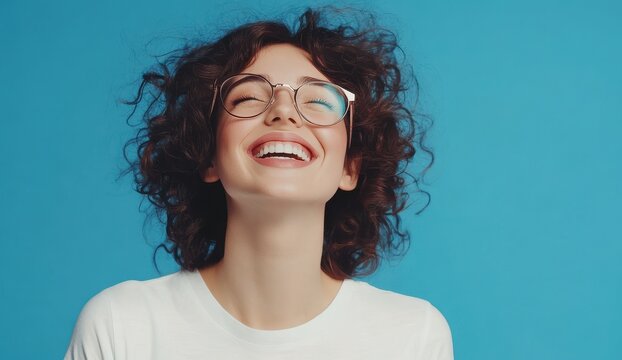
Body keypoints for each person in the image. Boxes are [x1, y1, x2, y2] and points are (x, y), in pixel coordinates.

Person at [64, 7, 453, 360]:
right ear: (209, 156)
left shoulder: (412, 337)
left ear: (350, 168)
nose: (283, 111)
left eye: (319, 101)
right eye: (250, 96)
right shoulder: (120, 327)